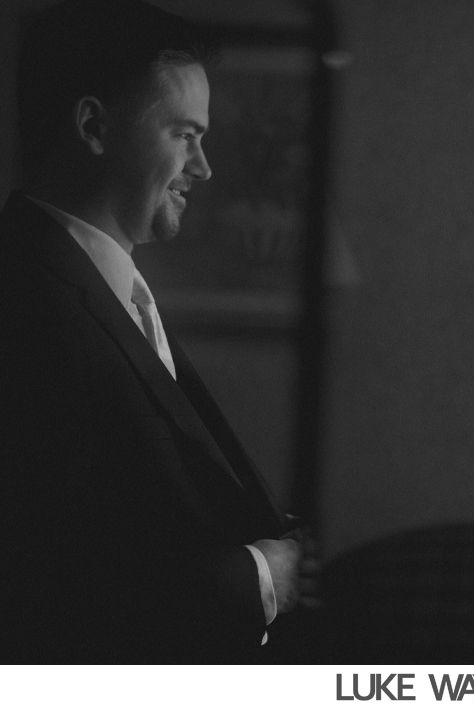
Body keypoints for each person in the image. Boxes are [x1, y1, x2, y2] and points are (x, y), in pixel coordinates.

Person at [0, 0, 303, 662]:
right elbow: (41, 578)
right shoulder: (22, 300)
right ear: (94, 126)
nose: (204, 167)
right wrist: (260, 579)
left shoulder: (99, 287)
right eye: (184, 135)